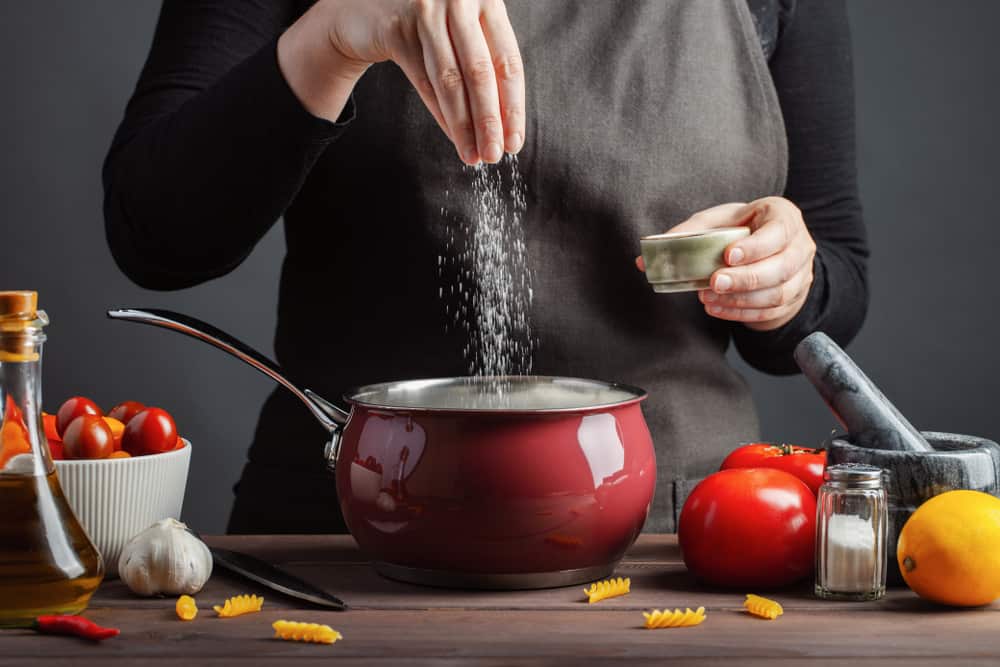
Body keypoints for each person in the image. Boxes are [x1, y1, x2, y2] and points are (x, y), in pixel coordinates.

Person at [104, 0, 868, 533]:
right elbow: (156, 238)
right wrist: (332, 37)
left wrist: (785, 277)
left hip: (672, 539)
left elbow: (838, 276)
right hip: (346, 535)